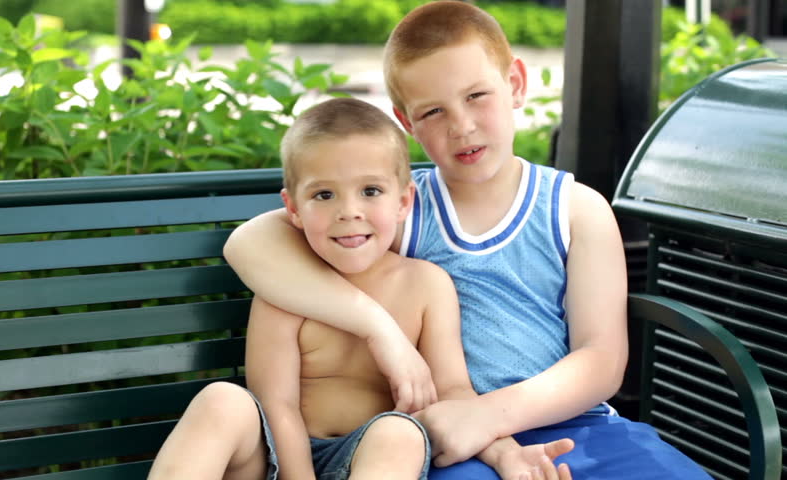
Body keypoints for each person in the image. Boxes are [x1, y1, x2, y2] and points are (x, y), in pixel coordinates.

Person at [222, 2, 714, 480]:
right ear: (406, 123)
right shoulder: (397, 209)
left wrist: (491, 415)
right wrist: (379, 328)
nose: (461, 125)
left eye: (477, 95)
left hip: (577, 426)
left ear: (515, 84)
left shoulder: (575, 209)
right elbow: (249, 243)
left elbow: (601, 359)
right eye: (433, 111)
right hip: (450, 442)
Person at [148, 97, 574, 480]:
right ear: (293, 209)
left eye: (370, 191)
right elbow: (275, 402)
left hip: (372, 460)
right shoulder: (285, 291)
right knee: (222, 400)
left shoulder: (425, 285)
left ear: (404, 201)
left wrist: (503, 454)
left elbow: (454, 393)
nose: (349, 212)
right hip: (279, 457)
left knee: (399, 431)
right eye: (324, 195)